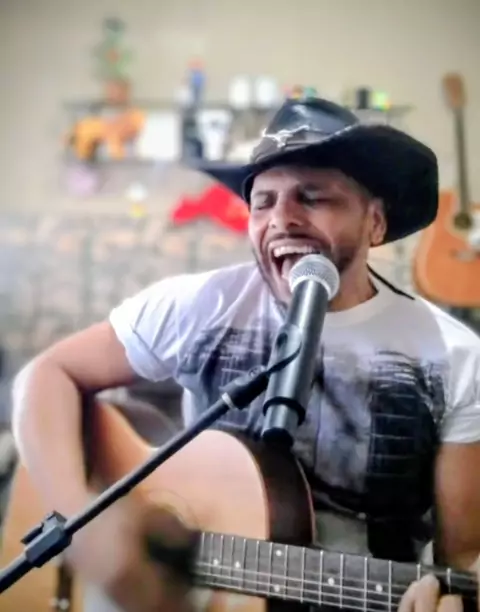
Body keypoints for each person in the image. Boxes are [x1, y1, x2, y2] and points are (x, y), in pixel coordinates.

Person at [10, 97, 480, 611]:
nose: (282, 219)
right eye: (263, 202)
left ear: (375, 222)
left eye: (312, 197)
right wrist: (84, 529)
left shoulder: (453, 358)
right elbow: (47, 373)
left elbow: (463, 559)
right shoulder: (202, 306)